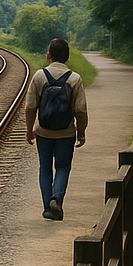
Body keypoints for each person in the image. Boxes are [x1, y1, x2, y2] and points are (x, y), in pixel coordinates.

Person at [25, 37, 88, 221]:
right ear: (67, 58)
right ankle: (57, 199)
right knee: (62, 167)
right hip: (66, 133)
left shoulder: (39, 76)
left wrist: (30, 130)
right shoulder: (75, 79)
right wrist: (81, 133)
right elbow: (80, 110)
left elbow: (30, 107)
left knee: (45, 168)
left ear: (48, 55)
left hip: (43, 132)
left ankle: (48, 207)